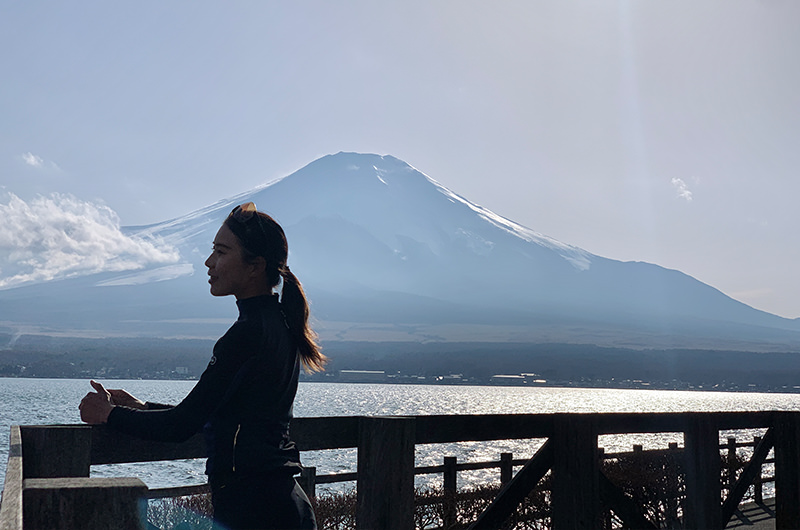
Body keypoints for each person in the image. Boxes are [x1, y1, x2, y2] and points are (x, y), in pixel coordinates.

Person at [80, 202, 326, 530]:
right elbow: (217, 416)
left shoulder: (247, 334)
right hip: (282, 502)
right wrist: (142, 407)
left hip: (254, 510)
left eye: (221, 252)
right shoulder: (279, 324)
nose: (209, 262)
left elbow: (181, 426)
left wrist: (109, 415)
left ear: (255, 266)